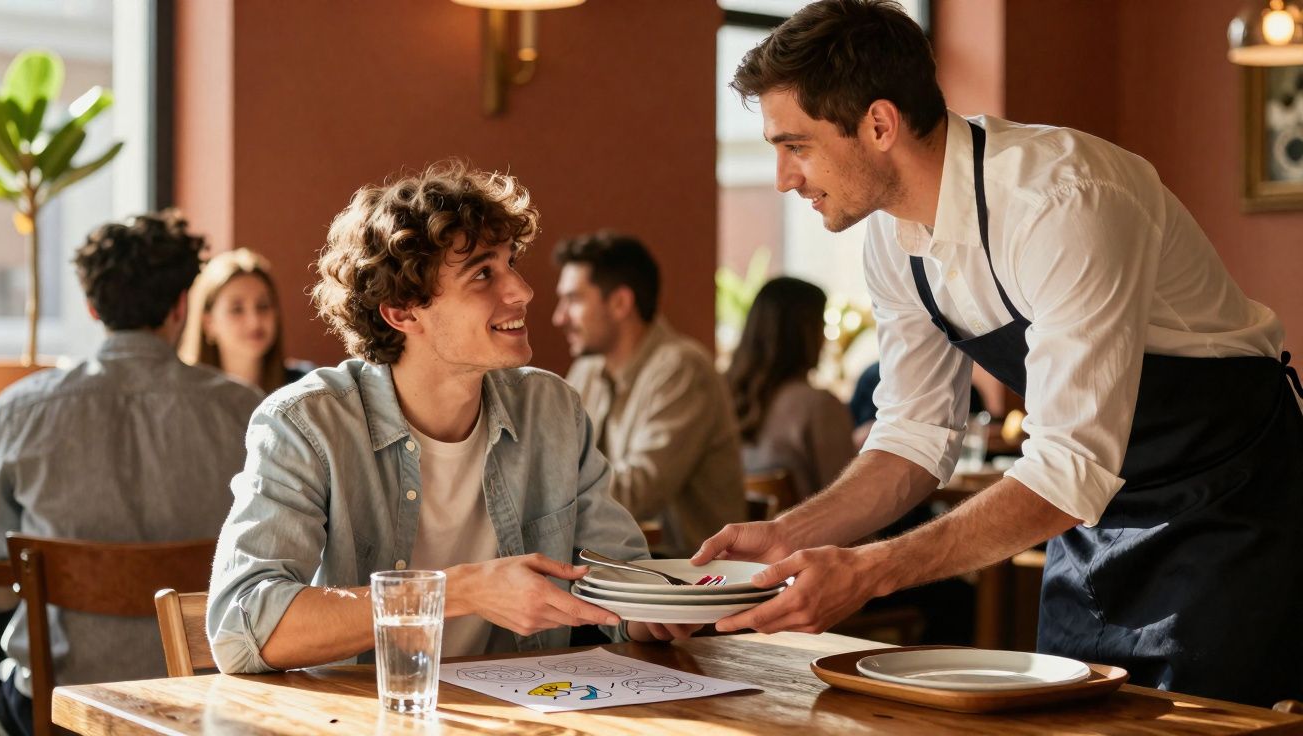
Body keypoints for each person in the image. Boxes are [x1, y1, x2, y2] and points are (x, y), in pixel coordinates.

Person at [693, 0, 1303, 705]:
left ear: (879, 124)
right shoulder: (893, 242)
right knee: (1071, 720)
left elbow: (1069, 469)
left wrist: (868, 571)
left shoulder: (1064, 200)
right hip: (1088, 515)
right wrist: (787, 536)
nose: (782, 178)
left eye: (795, 145)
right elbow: (916, 440)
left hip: (1224, 500)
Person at [207, 162, 696, 675]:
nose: (522, 291)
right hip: (362, 717)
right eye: (484, 273)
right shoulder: (305, 424)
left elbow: (620, 576)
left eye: (510, 263)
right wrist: (459, 592)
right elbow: (243, 630)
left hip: (522, 714)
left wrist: (659, 611)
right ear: (402, 311)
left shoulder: (551, 410)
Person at [0, 211, 262, 735]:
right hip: (202, 703)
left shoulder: (22, 409)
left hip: (59, 706)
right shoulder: (247, 412)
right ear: (181, 305)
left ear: (92, 308)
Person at [552, 232, 745, 558]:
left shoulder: (682, 369)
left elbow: (636, 495)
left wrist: (539, 491)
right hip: (618, 567)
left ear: (620, 303)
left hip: (687, 575)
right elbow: (559, 461)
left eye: (573, 299)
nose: (559, 317)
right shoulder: (588, 369)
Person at [727, 276, 856, 501]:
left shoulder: (723, 395)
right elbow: (854, 502)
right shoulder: (818, 406)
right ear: (806, 333)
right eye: (821, 325)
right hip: (810, 535)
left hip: (731, 534)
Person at [180, 248, 312, 392]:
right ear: (208, 323)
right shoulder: (185, 394)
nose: (254, 321)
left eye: (263, 306)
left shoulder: (306, 385)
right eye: (237, 309)